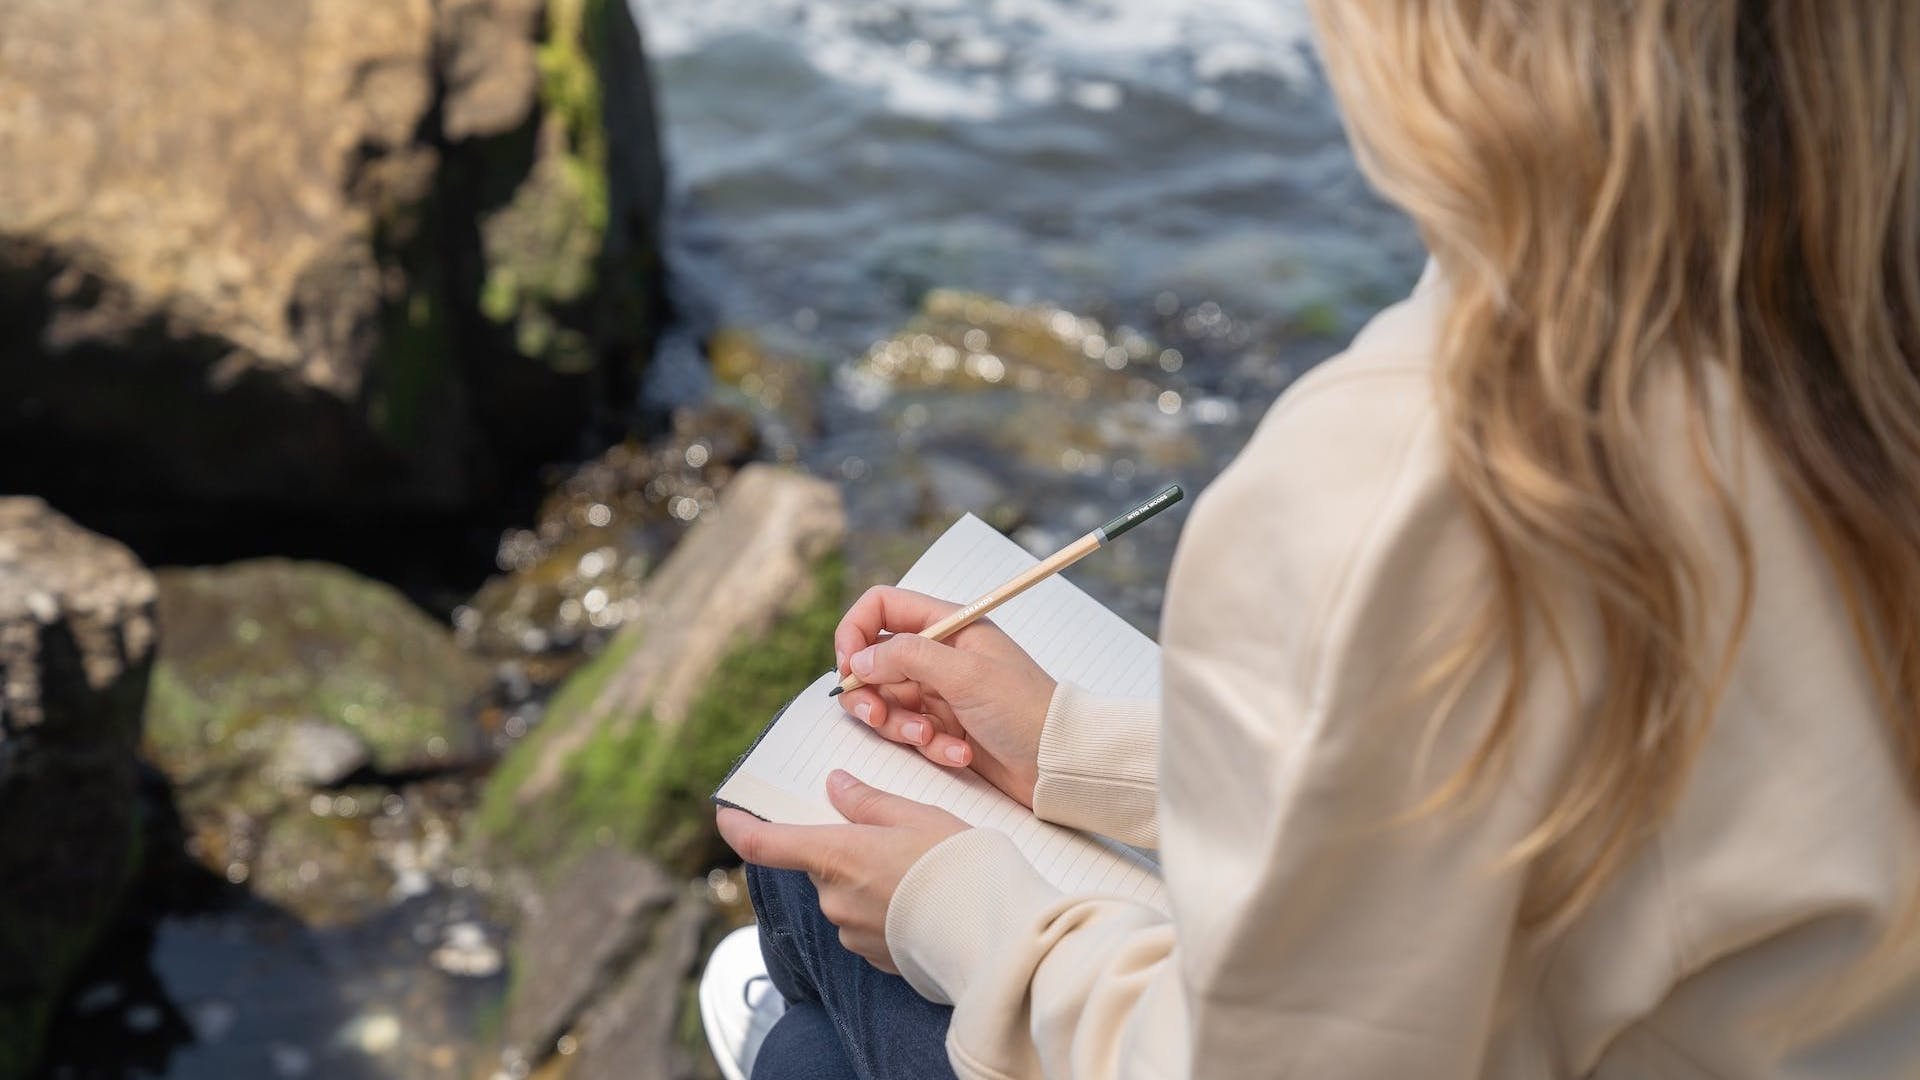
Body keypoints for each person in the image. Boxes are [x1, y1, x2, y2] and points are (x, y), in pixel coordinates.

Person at [713, 0, 1920, 1076]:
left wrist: (962, 911)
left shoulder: (1420, 467)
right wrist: (1074, 752)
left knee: (816, 930)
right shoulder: (1854, 356)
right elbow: (1549, 813)